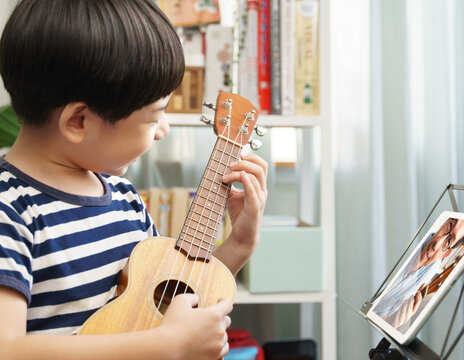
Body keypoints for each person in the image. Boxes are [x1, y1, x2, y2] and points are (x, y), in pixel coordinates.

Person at [0, 1, 267, 359]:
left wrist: (238, 245)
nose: (163, 130)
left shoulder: (124, 199)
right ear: (78, 122)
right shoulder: (10, 210)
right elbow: (7, 348)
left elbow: (164, 302)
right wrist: (167, 345)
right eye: (153, 116)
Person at [373, 217, 464, 331]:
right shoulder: (412, 237)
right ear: (443, 223)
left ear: (446, 254)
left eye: (448, 241)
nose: (436, 244)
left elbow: (377, 314)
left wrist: (391, 322)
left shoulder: (429, 277)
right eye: (449, 226)